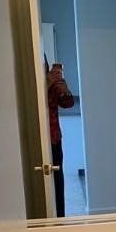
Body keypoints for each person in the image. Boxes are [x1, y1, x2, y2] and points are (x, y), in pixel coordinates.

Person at [45, 58, 74, 217]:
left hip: (55, 137)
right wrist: (46, 85)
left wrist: (66, 90)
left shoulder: (55, 86)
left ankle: (60, 217)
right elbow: (34, 102)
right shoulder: (37, 87)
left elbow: (67, 104)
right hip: (41, 139)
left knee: (58, 179)